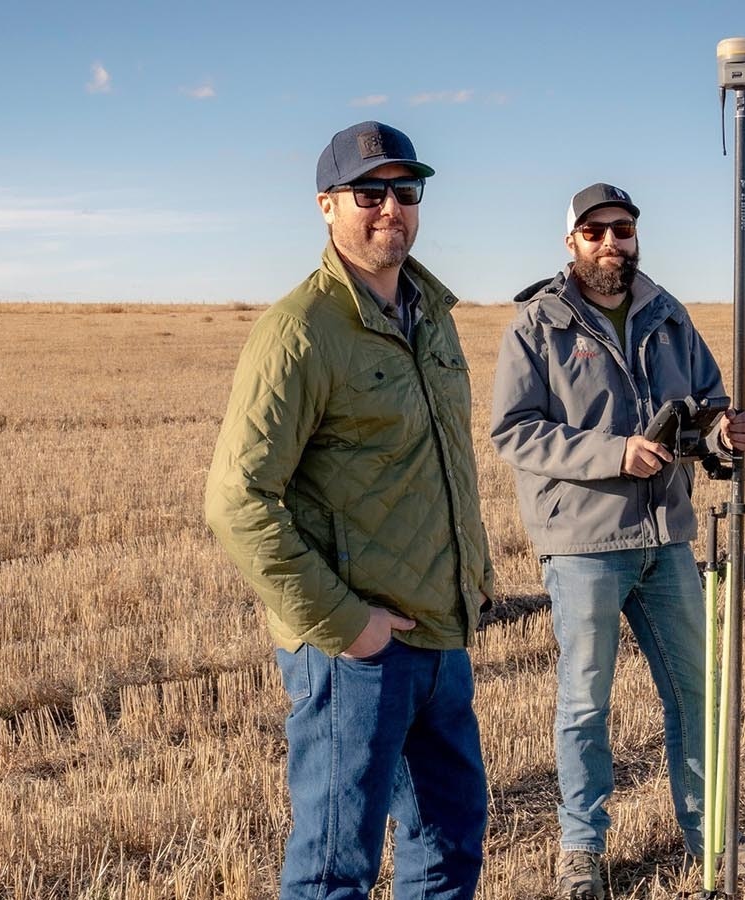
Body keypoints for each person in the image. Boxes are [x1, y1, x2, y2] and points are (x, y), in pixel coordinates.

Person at [205, 121, 495, 900]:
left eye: (406, 191)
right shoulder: (300, 333)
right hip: (355, 653)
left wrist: (474, 583)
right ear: (327, 206)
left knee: (451, 842)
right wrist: (344, 623)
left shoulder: (431, 315)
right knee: (336, 870)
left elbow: (443, 468)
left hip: (440, 635)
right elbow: (237, 501)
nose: (389, 208)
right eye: (369, 193)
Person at [490, 183, 745, 899]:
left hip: (667, 538)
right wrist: (613, 454)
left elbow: (708, 402)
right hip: (583, 543)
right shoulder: (538, 325)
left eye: (622, 231)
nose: (610, 244)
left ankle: (713, 840)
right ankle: (581, 854)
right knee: (585, 702)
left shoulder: (667, 315)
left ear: (636, 237)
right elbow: (515, 431)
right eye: (594, 232)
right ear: (571, 242)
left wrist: (729, 432)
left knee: (696, 691)